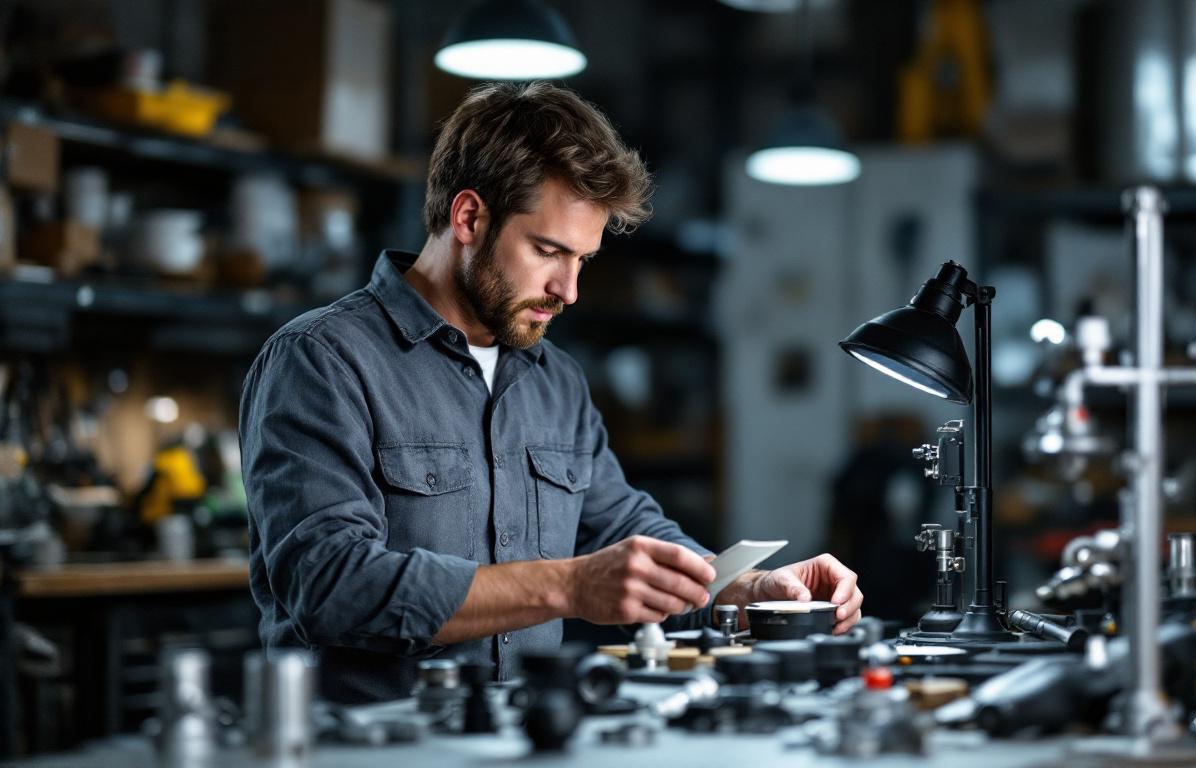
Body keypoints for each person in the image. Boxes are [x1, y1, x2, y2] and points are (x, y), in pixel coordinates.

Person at [240, 82, 864, 704]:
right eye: (548, 251)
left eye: (583, 260)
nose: (568, 290)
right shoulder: (322, 361)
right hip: (367, 747)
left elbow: (622, 527)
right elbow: (330, 586)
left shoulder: (554, 379)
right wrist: (564, 588)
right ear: (469, 218)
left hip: (525, 740)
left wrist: (747, 589)